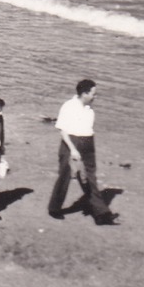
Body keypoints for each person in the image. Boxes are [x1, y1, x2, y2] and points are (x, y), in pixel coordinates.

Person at [48, 79, 116, 225]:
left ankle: (101, 213)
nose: (95, 97)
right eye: (93, 94)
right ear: (84, 93)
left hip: (88, 143)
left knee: (90, 177)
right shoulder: (69, 106)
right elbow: (62, 130)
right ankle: (54, 208)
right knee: (65, 176)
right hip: (71, 143)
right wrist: (73, 150)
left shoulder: (89, 109)